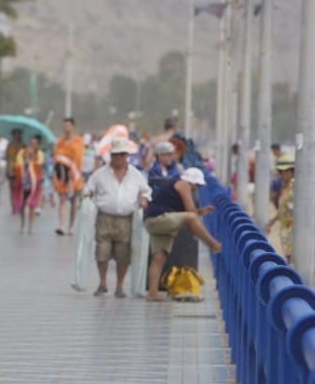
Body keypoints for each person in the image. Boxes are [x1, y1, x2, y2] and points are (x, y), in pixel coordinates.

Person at [83, 139, 152, 297]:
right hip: (105, 217)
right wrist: (86, 195)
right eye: (117, 155)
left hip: (126, 219)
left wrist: (144, 198)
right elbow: (88, 188)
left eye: (123, 155)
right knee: (102, 250)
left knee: (123, 253)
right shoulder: (100, 173)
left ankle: (120, 286)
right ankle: (102, 283)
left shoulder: (135, 174)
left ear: (127, 156)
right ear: (112, 156)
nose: (120, 158)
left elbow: (146, 190)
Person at [143, 167, 222, 302]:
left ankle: (152, 293)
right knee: (191, 219)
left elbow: (188, 211)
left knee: (159, 257)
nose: (196, 189)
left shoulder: (176, 183)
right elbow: (190, 211)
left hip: (153, 219)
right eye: (197, 185)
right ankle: (212, 244)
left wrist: (202, 212)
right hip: (160, 218)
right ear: (192, 182)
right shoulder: (183, 184)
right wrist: (197, 215)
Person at [53, 117, 85, 236]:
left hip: (75, 175)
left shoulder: (78, 141)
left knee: (74, 202)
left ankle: (71, 226)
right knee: (62, 199)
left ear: (72, 126)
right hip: (62, 174)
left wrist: (73, 174)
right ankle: (61, 225)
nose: (65, 128)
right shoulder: (60, 142)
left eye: (67, 125)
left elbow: (79, 158)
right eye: (64, 125)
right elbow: (56, 156)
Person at [265, 157, 295, 263]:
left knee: (292, 258)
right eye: (280, 172)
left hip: (293, 229)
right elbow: (283, 208)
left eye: (284, 172)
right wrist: (272, 221)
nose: (281, 174)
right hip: (285, 228)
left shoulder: (295, 186)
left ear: (291, 171)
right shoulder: (285, 187)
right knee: (288, 257)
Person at [16, 134, 45, 234]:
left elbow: (40, 167)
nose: (32, 146)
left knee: (32, 205)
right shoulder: (22, 154)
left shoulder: (39, 155)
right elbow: (18, 166)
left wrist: (33, 160)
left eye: (34, 144)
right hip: (24, 183)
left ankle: (30, 226)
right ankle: (23, 224)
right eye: (30, 144)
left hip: (34, 184)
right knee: (22, 205)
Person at [5, 129, 25, 214]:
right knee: (12, 189)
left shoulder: (23, 145)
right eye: (15, 134)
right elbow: (8, 156)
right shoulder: (10, 145)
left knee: (20, 189)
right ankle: (13, 207)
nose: (16, 136)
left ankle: (20, 206)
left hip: (21, 169)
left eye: (18, 134)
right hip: (11, 168)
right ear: (13, 135)